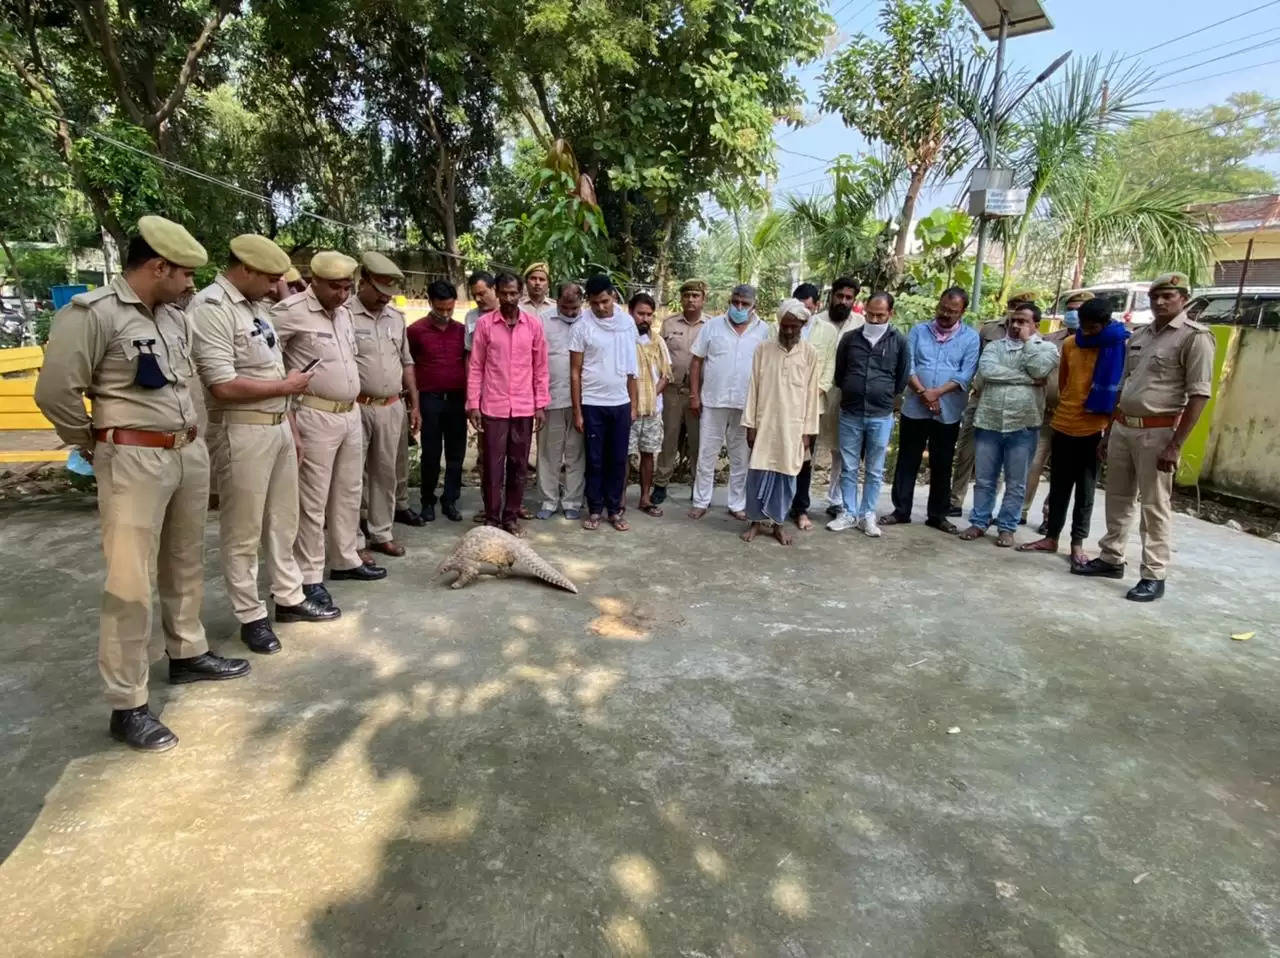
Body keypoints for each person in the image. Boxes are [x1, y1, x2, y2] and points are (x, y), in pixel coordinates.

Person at [35, 215, 251, 752]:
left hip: (185, 454)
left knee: (184, 561)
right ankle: (128, 703)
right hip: (132, 459)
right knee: (129, 584)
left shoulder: (173, 317)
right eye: (183, 275)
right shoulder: (92, 314)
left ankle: (187, 652)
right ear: (158, 267)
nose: (190, 285)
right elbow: (56, 390)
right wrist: (91, 440)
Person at [191, 234, 340, 658]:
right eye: (271, 279)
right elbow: (220, 384)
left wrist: (290, 422)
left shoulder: (256, 308)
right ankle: (250, 616)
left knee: (282, 520)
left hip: (276, 427)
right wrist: (286, 385)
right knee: (243, 529)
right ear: (246, 269)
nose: (278, 288)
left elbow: (271, 369)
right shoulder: (211, 309)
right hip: (241, 431)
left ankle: (289, 597)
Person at [1074, 272, 1215, 601]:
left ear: (1183, 298)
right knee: (1118, 498)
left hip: (1159, 431)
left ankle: (1154, 573)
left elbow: (1199, 396)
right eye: (1156, 296)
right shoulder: (1140, 335)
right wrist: (1108, 434)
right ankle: (1111, 557)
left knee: (1154, 505)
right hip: (1124, 426)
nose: (1161, 301)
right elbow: (1123, 387)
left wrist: (1175, 445)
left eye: (1169, 296)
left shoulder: (1195, 338)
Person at [274, 250, 387, 596]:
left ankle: (345, 558)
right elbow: (269, 358)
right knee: (312, 499)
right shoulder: (290, 312)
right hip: (314, 414)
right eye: (335, 288)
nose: (342, 295)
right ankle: (309, 575)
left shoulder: (343, 314)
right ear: (315, 282)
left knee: (348, 492)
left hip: (349, 414)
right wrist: (287, 411)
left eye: (346, 288)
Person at [1018, 297, 1129, 566]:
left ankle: (1077, 544)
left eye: (1092, 328)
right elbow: (1066, 382)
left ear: (1105, 324)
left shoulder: (1118, 345)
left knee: (1086, 491)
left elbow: (1121, 386)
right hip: (1065, 423)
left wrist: (1109, 427)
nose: (1086, 332)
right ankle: (1051, 537)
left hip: (1095, 428)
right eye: (1083, 326)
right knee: (1059, 486)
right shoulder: (1070, 344)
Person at [958, 303, 1060, 547]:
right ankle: (979, 521)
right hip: (989, 421)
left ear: (1036, 325)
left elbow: (1039, 368)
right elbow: (987, 373)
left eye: (1023, 322)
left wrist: (1028, 343)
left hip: (1023, 425)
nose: (1016, 326)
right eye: (1014, 320)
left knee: (1016, 481)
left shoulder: (1047, 349)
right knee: (984, 478)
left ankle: (1007, 527)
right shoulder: (994, 347)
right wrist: (1026, 380)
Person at [882, 287, 980, 533]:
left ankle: (937, 515)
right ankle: (901, 510)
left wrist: (936, 394)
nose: (945, 314)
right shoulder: (918, 331)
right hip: (915, 406)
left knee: (943, 462)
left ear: (962, 312)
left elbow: (965, 373)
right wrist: (923, 393)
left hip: (947, 410)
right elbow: (909, 364)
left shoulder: (970, 338)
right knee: (907, 459)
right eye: (943, 308)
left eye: (952, 311)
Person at [467, 271, 549, 535]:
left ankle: (511, 516)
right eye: (504, 293)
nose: (509, 298)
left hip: (524, 407)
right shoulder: (485, 325)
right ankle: (492, 517)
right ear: (497, 293)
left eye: (514, 293)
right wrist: (473, 404)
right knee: (492, 465)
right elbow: (476, 366)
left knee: (519, 465)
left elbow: (541, 368)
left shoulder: (533, 325)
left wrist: (540, 404)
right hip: (493, 406)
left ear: (521, 294)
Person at [351, 251, 419, 558]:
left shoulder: (396, 318)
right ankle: (353, 542)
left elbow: (406, 363)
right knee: (351, 477)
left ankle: (381, 532)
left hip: (391, 407)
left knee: (385, 473)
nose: (385, 299)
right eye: (380, 292)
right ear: (363, 282)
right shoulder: (344, 314)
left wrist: (413, 404)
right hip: (356, 406)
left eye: (390, 293)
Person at [825, 292, 910, 537]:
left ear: (889, 314)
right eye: (870, 314)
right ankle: (849, 512)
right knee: (849, 466)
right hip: (850, 411)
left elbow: (902, 378)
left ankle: (867, 514)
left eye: (879, 315)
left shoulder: (899, 342)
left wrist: (882, 395)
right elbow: (839, 374)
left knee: (874, 469)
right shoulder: (851, 339)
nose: (873, 319)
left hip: (880, 414)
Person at [949, 289, 1038, 516]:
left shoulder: (1036, 340)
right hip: (981, 398)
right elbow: (982, 367)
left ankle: (993, 511)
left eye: (1022, 306)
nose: (1015, 310)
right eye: (1013, 304)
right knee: (966, 452)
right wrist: (1025, 378)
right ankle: (955, 500)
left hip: (1014, 410)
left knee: (1001, 464)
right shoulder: (989, 329)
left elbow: (1040, 369)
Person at [741, 299, 822, 545]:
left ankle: (777, 525)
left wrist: (807, 433)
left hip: (793, 427)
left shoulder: (810, 353)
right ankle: (755, 522)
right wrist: (751, 426)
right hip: (765, 423)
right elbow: (753, 388)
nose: (788, 331)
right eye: (784, 326)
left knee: (787, 477)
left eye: (793, 327)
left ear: (802, 326)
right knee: (758, 473)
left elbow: (811, 396)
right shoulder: (762, 350)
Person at [688, 283, 771, 520]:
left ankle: (737, 504)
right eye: (735, 302)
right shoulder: (712, 327)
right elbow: (696, 362)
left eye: (744, 304)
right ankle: (701, 500)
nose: (739, 307)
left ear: (754, 306)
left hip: (746, 405)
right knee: (707, 453)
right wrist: (694, 395)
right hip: (714, 401)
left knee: (740, 457)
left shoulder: (764, 331)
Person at [571, 275, 639, 531]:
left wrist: (632, 405)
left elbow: (632, 369)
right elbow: (575, 371)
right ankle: (595, 509)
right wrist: (578, 411)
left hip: (620, 403)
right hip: (592, 403)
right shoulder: (581, 326)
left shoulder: (627, 324)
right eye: (595, 303)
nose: (601, 307)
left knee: (618, 459)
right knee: (595, 460)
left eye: (605, 301)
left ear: (614, 296)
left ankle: (615, 510)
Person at [1021, 290, 1092, 530]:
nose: (1073, 314)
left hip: (1076, 420)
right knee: (1031, 463)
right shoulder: (1051, 340)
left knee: (1063, 472)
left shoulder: (1099, 343)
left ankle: (1050, 517)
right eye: (1070, 308)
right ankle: (1020, 511)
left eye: (1079, 309)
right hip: (1045, 414)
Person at [801, 278, 863, 522]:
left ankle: (835, 499)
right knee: (807, 445)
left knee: (842, 449)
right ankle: (800, 500)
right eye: (840, 296)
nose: (843, 301)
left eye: (849, 298)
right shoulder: (814, 322)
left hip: (844, 396)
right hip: (814, 394)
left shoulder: (860, 324)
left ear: (854, 300)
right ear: (831, 296)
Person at [407, 279, 467, 522]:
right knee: (430, 454)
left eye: (449, 309)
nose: (444, 314)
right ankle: (427, 500)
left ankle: (450, 500)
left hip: (456, 400)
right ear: (430, 302)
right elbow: (407, 366)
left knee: (456, 454)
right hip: (429, 400)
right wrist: (414, 405)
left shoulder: (461, 331)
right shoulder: (415, 331)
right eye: (439, 308)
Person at [652, 278, 708, 505]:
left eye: (696, 296)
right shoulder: (669, 324)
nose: (691, 300)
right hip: (672, 392)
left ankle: (699, 487)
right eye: (687, 295)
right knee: (669, 439)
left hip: (700, 393)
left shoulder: (711, 325)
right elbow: (659, 357)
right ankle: (661, 484)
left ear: (703, 299)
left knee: (698, 442)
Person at [534, 281, 587, 520]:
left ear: (581, 303)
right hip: (550, 398)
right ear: (557, 302)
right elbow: (535, 361)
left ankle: (573, 501)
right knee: (548, 454)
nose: (569, 313)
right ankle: (548, 501)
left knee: (576, 453)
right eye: (564, 308)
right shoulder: (542, 321)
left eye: (574, 308)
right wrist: (537, 400)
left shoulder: (588, 321)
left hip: (582, 402)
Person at [629, 291, 671, 517]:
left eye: (649, 315)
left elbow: (666, 375)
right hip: (627, 409)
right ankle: (618, 500)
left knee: (648, 454)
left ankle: (645, 498)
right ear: (630, 312)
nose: (644, 319)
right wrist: (634, 401)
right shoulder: (624, 338)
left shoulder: (658, 342)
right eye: (640, 314)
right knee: (623, 455)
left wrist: (650, 396)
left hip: (653, 410)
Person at [464, 270, 501, 523]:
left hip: (511, 397)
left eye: (483, 293)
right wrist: (472, 397)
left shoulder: (512, 314)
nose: (479, 299)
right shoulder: (471, 318)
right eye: (475, 295)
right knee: (488, 456)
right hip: (485, 398)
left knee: (513, 457)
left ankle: (512, 506)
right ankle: (490, 508)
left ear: (494, 289)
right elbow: (471, 360)